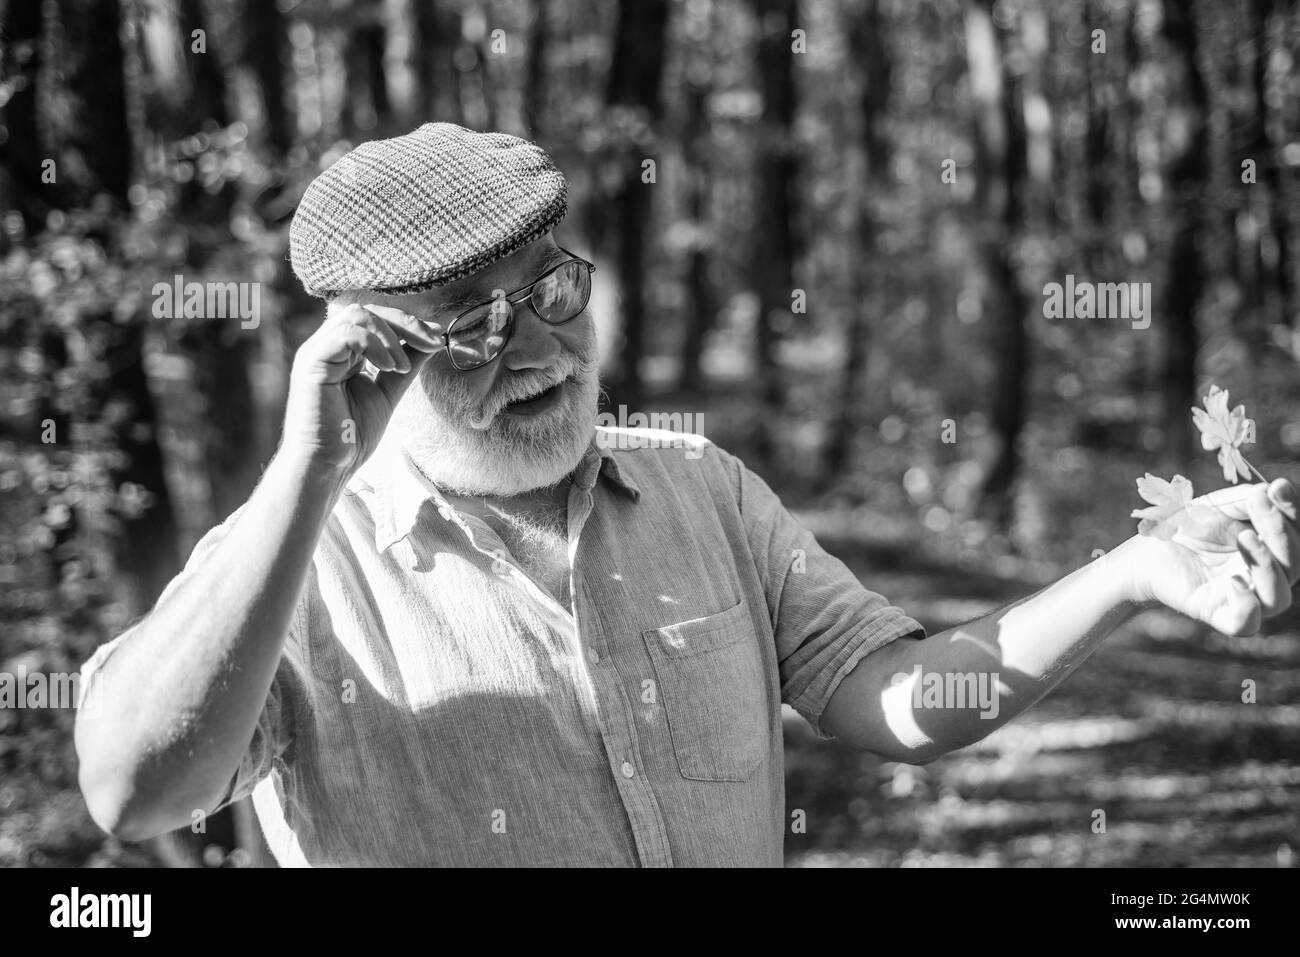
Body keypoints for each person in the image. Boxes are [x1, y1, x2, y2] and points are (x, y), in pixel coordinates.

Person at [74, 123, 1300, 867]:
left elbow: (897, 698)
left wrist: (1135, 570)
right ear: (373, 353)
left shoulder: (700, 488)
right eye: (471, 333)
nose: (541, 356)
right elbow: (135, 795)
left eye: (550, 295)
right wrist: (302, 476)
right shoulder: (296, 557)